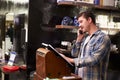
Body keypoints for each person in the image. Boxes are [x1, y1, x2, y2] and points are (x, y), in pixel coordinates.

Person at [60, 11, 111, 80]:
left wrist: (70, 60)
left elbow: (94, 59)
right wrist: (79, 39)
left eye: (81, 22)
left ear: (89, 20)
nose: (79, 25)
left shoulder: (103, 38)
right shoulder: (85, 38)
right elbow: (74, 54)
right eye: (78, 23)